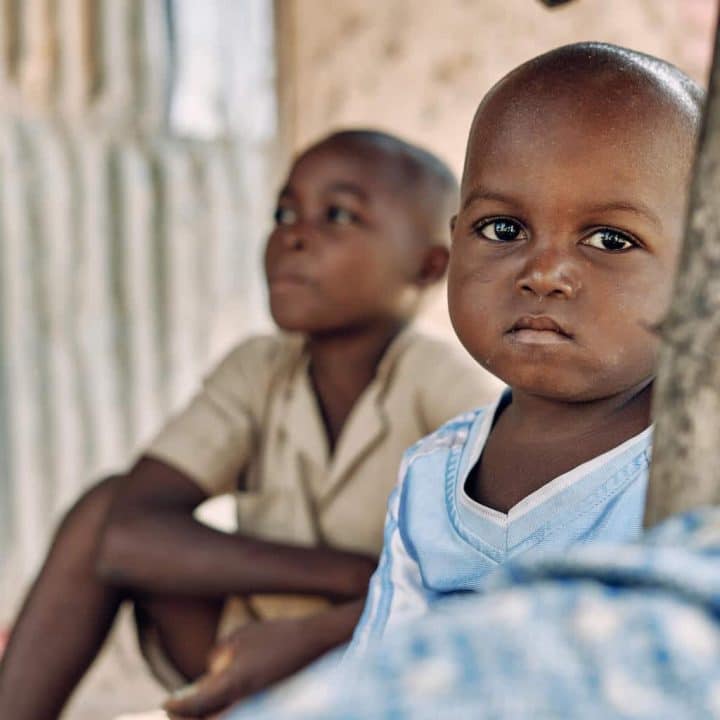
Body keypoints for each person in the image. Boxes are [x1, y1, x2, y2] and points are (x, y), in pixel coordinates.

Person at [0, 129, 500, 720]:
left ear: (428, 264)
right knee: (102, 507)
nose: (293, 236)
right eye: (284, 212)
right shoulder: (259, 370)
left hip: (377, 654)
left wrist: (335, 620)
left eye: (337, 215)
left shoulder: (442, 382)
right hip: (243, 648)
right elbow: (124, 533)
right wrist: (352, 574)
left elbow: (491, 574)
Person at [350, 43, 704, 654]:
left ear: (702, 275)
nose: (544, 273)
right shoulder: (430, 474)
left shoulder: (693, 478)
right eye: (504, 229)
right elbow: (380, 662)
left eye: (610, 240)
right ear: (456, 240)